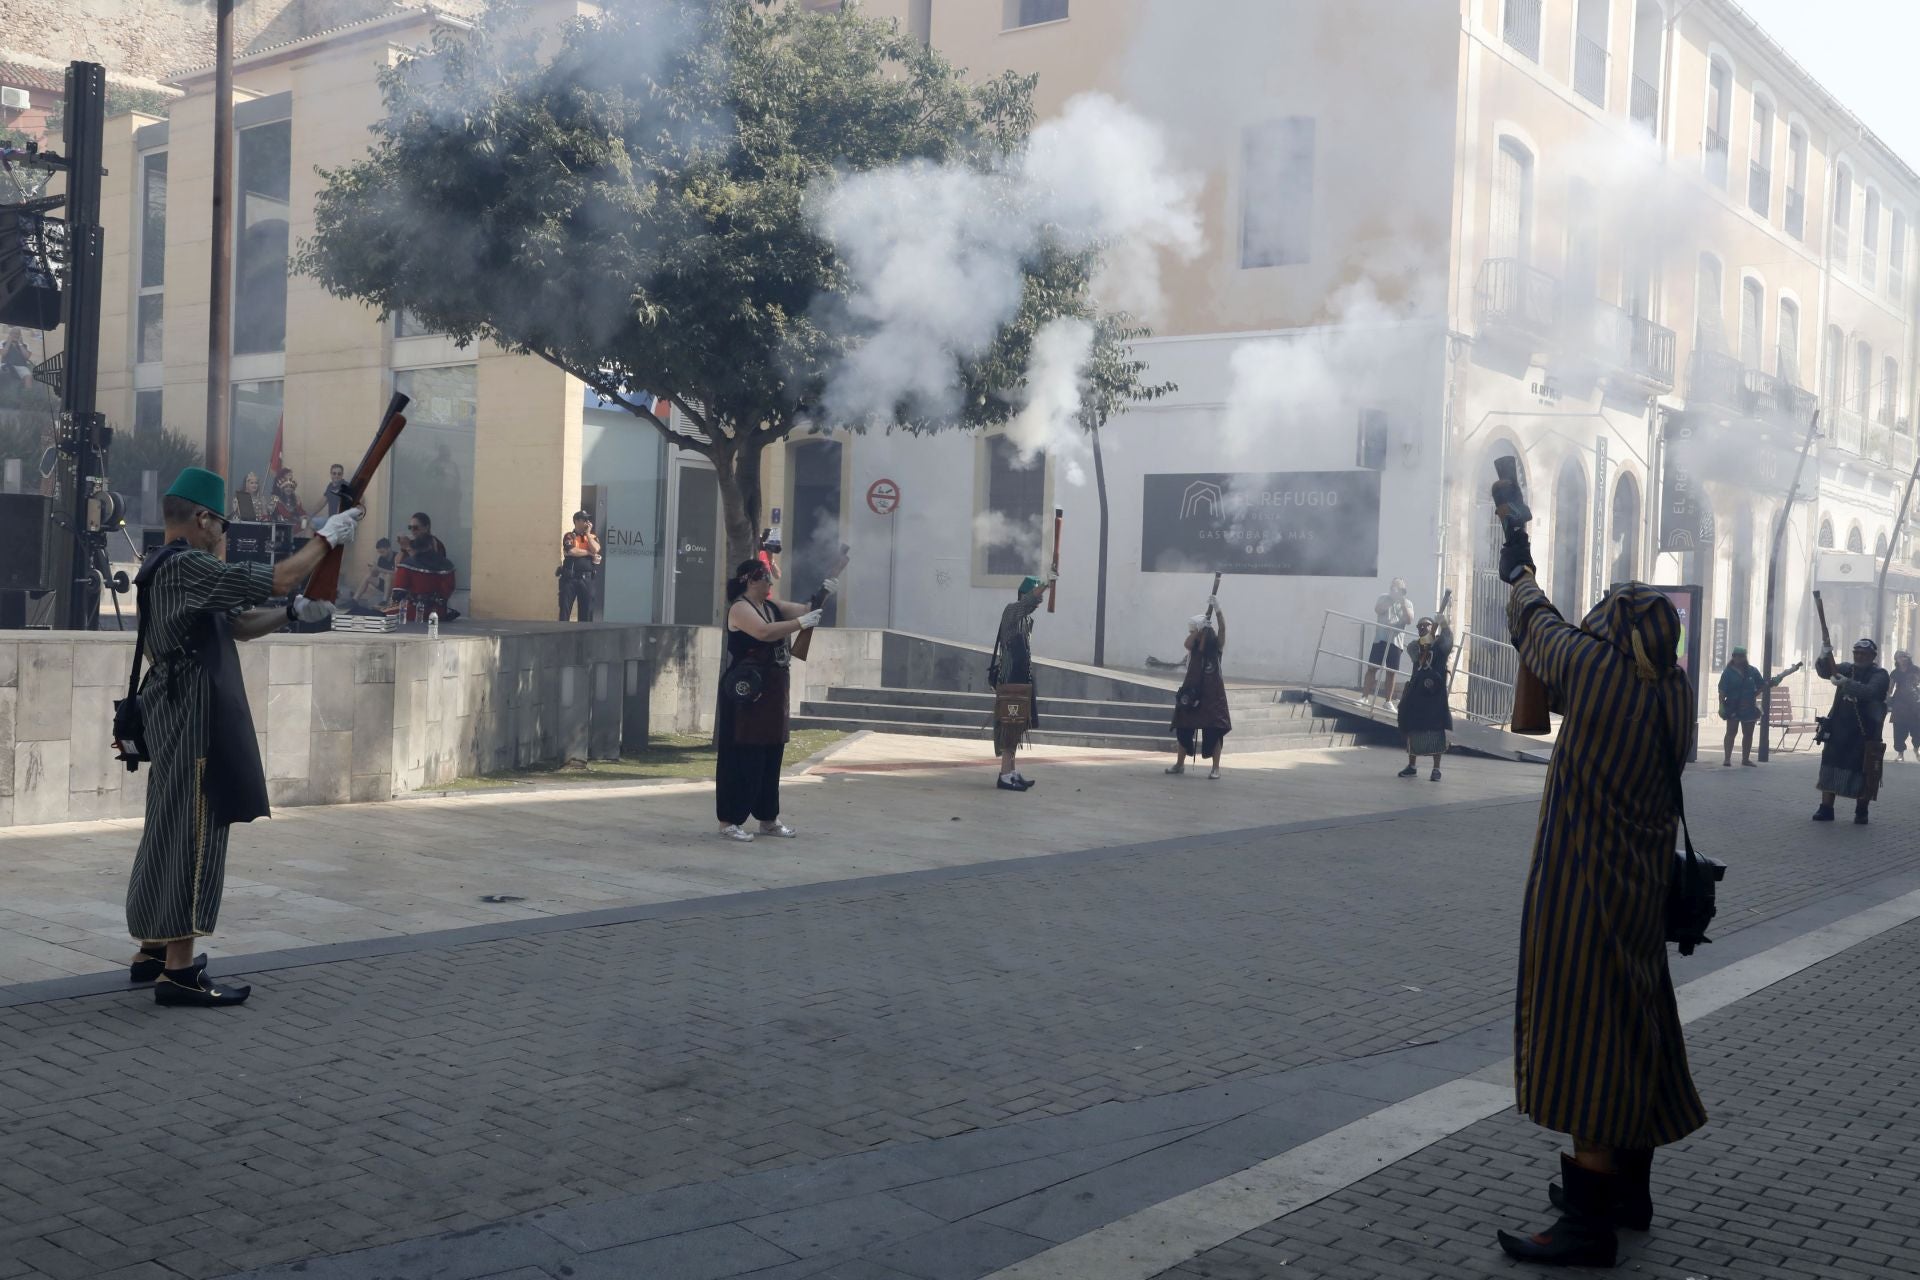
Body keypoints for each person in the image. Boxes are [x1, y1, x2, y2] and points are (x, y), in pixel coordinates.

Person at [1492, 537, 1705, 1267]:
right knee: (1637, 1033)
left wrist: (1519, 571)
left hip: (1583, 897)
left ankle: (1588, 1226)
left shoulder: (1597, 672)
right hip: (1642, 895)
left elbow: (1539, 629)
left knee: (1589, 1049)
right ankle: (1628, 1192)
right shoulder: (1675, 693)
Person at [124, 467, 363, 1006]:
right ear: (203, 519)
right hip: (193, 714)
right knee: (195, 830)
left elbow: (234, 624)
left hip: (175, 706)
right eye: (223, 524)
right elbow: (278, 577)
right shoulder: (188, 565)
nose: (225, 536)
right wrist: (327, 536)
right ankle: (180, 973)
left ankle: (154, 948)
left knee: (166, 825)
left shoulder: (166, 565)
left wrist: (292, 614)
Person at [714, 559, 825, 841]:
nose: (770, 584)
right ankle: (730, 820)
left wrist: (824, 591)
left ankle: (768, 818)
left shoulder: (772, 607)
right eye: (765, 578)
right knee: (741, 757)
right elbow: (764, 632)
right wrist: (800, 623)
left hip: (774, 689)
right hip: (745, 691)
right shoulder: (740, 608)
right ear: (751, 580)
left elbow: (806, 610)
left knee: (771, 754)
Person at [1812, 638, 1889, 824]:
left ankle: (1861, 811)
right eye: (1857, 653)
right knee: (1830, 766)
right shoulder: (1847, 668)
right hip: (1839, 728)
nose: (1860, 656)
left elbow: (1871, 692)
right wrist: (1824, 653)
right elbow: (1824, 671)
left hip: (1864, 733)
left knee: (1864, 771)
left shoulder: (1880, 674)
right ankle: (1826, 808)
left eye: (1864, 654)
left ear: (1872, 656)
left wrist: (1847, 683)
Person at [992, 573, 1054, 792]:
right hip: (1010, 680)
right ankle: (1004, 774)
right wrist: (1047, 584)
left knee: (1017, 726)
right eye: (1034, 593)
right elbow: (1029, 602)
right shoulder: (1012, 611)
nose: (1038, 602)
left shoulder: (1027, 621)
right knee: (1009, 726)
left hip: (1022, 679)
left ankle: (1012, 770)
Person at [1168, 600, 1230, 780]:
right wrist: (1198, 631)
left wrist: (1218, 611)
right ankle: (1179, 764)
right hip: (1192, 691)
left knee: (1215, 730)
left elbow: (1223, 630)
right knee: (1183, 726)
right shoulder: (1193, 645)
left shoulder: (1216, 647)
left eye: (1193, 630)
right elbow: (1187, 643)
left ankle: (1216, 768)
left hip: (1212, 695)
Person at [1395, 613, 1453, 780]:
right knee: (1411, 725)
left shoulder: (1440, 646)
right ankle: (1412, 765)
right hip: (1417, 693)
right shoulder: (1415, 646)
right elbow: (1416, 656)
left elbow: (1447, 640)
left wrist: (1444, 625)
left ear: (1431, 627)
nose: (1422, 628)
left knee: (1437, 728)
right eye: (1420, 626)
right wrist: (1427, 640)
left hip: (1435, 695)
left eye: (1426, 625)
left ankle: (1436, 769)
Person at [1716, 647, 1797, 767]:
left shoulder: (1752, 671)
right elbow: (1722, 691)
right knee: (1731, 732)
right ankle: (1727, 759)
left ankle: (1745, 759)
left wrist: (1775, 680)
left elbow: (1762, 685)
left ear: (1745, 657)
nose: (1738, 658)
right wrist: (1721, 705)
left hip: (1749, 707)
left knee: (1748, 734)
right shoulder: (1728, 672)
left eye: (1741, 656)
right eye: (1736, 655)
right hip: (1733, 707)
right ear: (1733, 656)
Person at [1363, 577, 1415, 708]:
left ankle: (1388, 701)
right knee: (1372, 669)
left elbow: (1409, 620)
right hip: (1380, 638)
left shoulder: (1407, 603)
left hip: (1396, 642)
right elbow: (1378, 610)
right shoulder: (1383, 598)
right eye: (1394, 587)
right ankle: (1364, 697)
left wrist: (1401, 602)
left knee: (1391, 672)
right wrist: (1391, 599)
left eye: (1400, 588)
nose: (1397, 590)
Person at [559, 510, 603, 622]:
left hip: (587, 579)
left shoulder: (592, 537)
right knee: (565, 609)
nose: (587, 522)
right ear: (576, 521)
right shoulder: (570, 536)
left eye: (588, 520)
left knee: (586, 611)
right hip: (570, 578)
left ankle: (584, 636)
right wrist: (588, 552)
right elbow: (572, 551)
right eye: (584, 520)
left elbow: (596, 549)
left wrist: (588, 534)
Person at [1890, 650, 1920, 762]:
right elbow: (1890, 688)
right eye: (1899, 657)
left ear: (1908, 658)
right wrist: (1887, 699)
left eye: (1904, 657)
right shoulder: (1895, 673)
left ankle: (1917, 749)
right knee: (1899, 730)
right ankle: (1900, 753)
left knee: (1917, 729)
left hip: (1915, 703)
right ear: (1896, 659)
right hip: (1900, 704)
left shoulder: (1916, 670)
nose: (1902, 659)